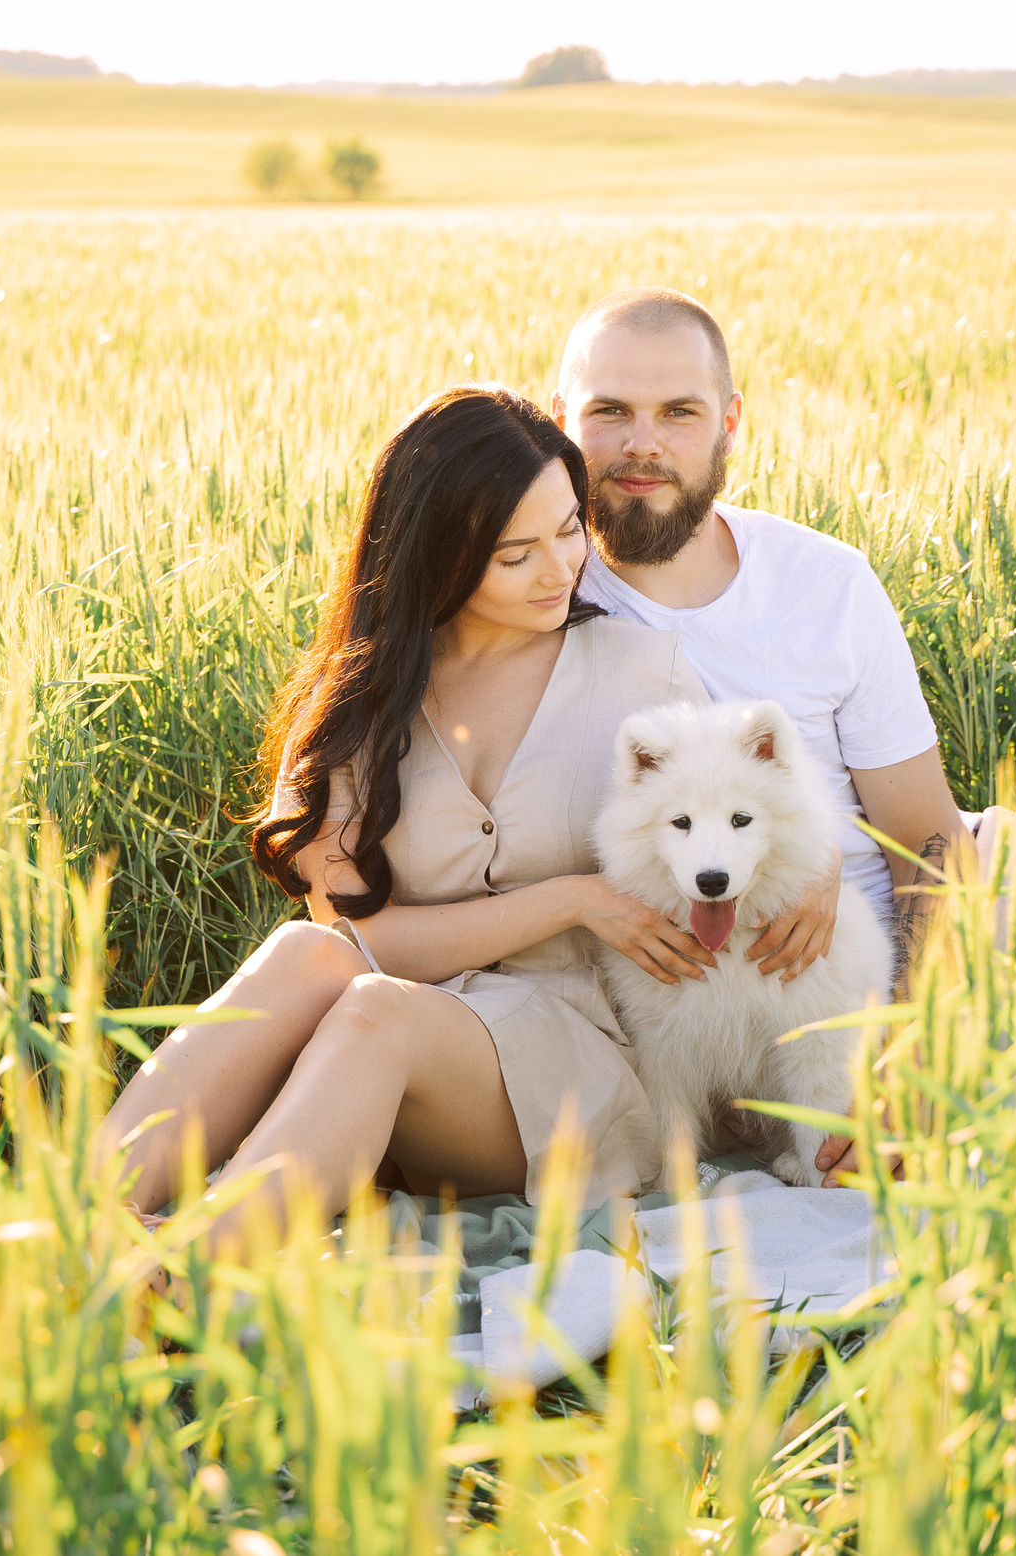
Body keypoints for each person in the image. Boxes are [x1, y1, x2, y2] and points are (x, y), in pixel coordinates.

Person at [98, 386, 714, 1254]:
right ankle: (73, 1218)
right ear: (437, 557)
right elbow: (366, 940)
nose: (560, 569)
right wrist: (572, 898)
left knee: (378, 1008)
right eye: (515, 554)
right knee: (309, 951)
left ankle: (189, 1261)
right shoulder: (362, 704)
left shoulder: (646, 673)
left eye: (571, 529)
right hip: (397, 1057)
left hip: (585, 1072)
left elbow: (746, 840)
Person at [549, 287, 979, 1179]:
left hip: (848, 1001)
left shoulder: (828, 584)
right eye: (609, 412)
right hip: (676, 1025)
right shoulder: (535, 598)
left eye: (679, 412)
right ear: (561, 421)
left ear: (731, 422)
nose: (643, 443)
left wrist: (911, 1052)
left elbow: (927, 838)